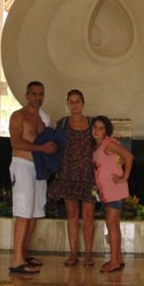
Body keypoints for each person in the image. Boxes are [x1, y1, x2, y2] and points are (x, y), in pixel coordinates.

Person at [8, 80, 58, 274]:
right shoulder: (18, 116)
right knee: (23, 212)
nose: (38, 97)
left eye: (41, 94)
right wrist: (41, 148)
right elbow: (16, 141)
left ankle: (23, 253)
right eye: (34, 94)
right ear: (27, 95)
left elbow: (49, 142)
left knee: (35, 212)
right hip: (22, 166)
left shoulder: (41, 120)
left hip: (38, 169)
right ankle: (16, 261)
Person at [48, 89, 96, 267]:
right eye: (71, 102)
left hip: (89, 177)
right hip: (67, 175)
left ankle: (89, 254)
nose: (75, 105)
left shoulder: (92, 123)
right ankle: (73, 253)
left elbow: (101, 145)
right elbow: (54, 147)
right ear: (67, 104)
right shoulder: (61, 124)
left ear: (83, 104)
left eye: (78, 102)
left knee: (89, 216)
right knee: (72, 215)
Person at [91, 115, 133, 273]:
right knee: (114, 224)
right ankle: (119, 259)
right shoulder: (97, 147)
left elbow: (128, 156)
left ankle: (114, 261)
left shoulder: (108, 144)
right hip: (105, 192)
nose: (96, 131)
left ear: (106, 131)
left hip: (114, 191)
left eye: (101, 128)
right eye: (95, 127)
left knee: (112, 224)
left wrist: (124, 177)